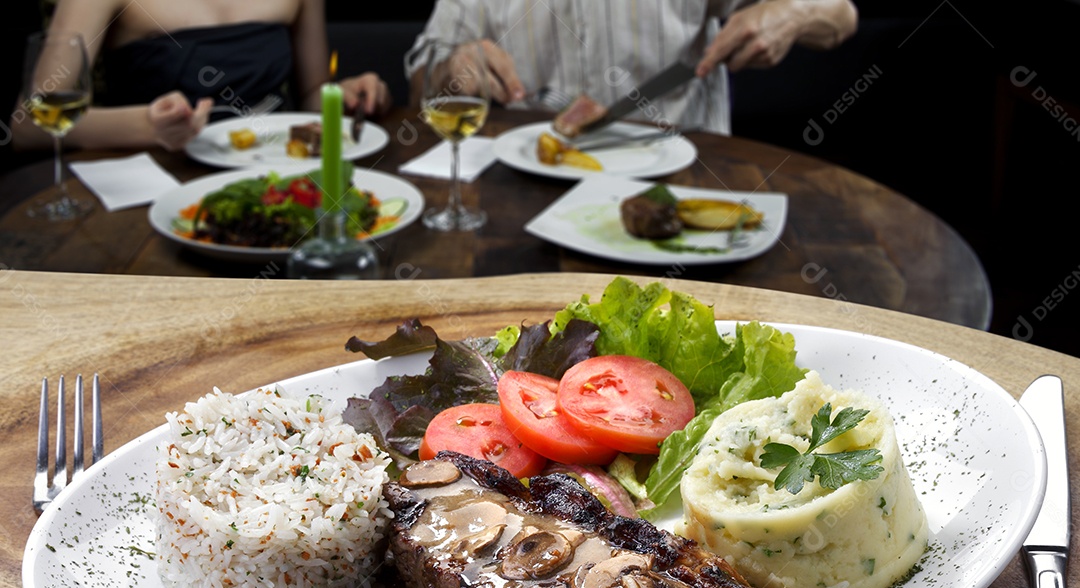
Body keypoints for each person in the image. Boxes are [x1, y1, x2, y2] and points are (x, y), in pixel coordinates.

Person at [406, 0, 858, 135]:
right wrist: (451, 69)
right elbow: (420, 86)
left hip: (681, 176)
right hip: (525, 187)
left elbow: (842, 15)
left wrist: (792, 14)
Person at [10, 0, 392, 152]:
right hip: (153, 181)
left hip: (275, 170)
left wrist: (344, 95)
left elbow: (311, 94)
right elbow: (29, 124)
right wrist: (149, 126)